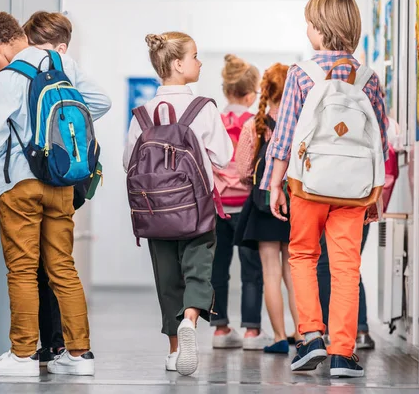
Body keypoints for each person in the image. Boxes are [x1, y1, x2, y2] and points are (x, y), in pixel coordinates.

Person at [0, 11, 111, 377]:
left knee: (21, 269)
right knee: (63, 266)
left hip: (21, 184)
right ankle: (79, 355)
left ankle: (21, 357)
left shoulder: (7, 78)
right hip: (61, 182)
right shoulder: (61, 61)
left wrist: (7, 122)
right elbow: (101, 102)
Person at [262, 0, 389, 378]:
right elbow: (378, 141)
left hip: (308, 183)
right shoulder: (368, 78)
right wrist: (375, 194)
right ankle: (342, 353)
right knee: (347, 266)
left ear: (319, 30)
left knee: (302, 255)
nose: (307, 30)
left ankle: (311, 336)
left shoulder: (302, 74)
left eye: (309, 24)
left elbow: (284, 137)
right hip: (353, 188)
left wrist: (274, 184)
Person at [123, 32, 233, 376]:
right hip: (197, 212)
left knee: (168, 280)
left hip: (155, 215)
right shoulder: (204, 109)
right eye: (196, 56)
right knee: (198, 271)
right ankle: (190, 320)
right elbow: (225, 156)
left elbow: (129, 162)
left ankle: (174, 351)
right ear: (178, 64)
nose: (200, 62)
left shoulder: (142, 114)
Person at [234, 63, 300, 354]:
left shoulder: (254, 125)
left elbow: (243, 170)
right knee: (295, 272)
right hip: (295, 204)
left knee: (270, 273)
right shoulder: (300, 125)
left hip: (263, 205)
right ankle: (304, 333)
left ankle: (278, 338)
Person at [211, 55, 270, 351]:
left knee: (217, 269)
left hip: (218, 206)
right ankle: (251, 332)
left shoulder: (215, 122)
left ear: (226, 91)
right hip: (248, 207)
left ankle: (220, 329)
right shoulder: (256, 123)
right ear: (251, 95)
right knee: (253, 271)